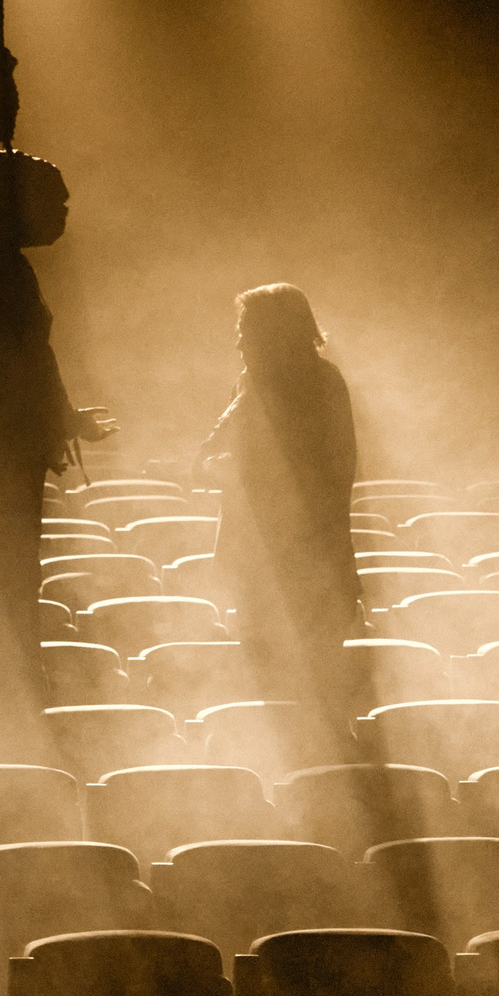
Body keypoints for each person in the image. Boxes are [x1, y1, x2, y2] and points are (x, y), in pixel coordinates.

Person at [0, 148, 115, 724]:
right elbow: (22, 359)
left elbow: (30, 358)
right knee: (12, 560)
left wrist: (63, 416)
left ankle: (13, 679)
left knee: (10, 558)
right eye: (50, 198)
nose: (61, 209)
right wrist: (58, 416)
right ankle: (14, 685)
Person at [194, 283, 365, 749]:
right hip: (258, 573)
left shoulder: (323, 385)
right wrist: (220, 467)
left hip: (312, 576)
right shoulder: (248, 386)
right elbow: (219, 456)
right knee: (272, 702)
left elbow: (331, 476)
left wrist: (243, 474)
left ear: (276, 335)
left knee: (317, 700)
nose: (238, 343)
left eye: (245, 331)